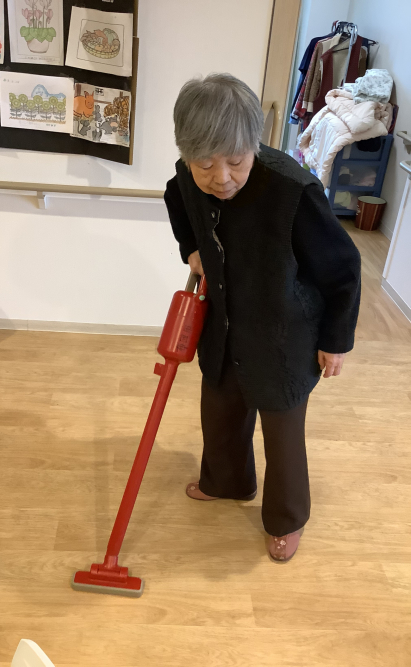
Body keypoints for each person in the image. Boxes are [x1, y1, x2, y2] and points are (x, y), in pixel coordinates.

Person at [164, 73, 361, 562]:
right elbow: (175, 199)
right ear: (188, 155)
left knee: (282, 432)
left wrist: (336, 339)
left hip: (284, 335)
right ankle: (227, 482)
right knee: (220, 412)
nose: (221, 177)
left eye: (236, 161)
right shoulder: (187, 177)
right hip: (225, 326)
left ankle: (287, 517)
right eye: (205, 164)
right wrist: (191, 249)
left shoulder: (293, 190)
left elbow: (342, 267)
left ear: (254, 144)